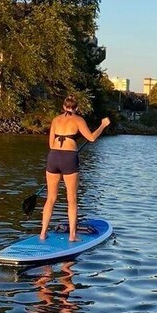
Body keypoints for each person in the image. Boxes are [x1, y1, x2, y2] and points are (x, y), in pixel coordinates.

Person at [40, 95, 110, 241]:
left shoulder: (55, 120)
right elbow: (91, 138)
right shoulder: (78, 120)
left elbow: (51, 145)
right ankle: (72, 235)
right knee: (71, 199)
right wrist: (102, 125)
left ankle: (42, 233)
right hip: (69, 158)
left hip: (53, 157)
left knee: (50, 198)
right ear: (76, 108)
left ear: (64, 107)